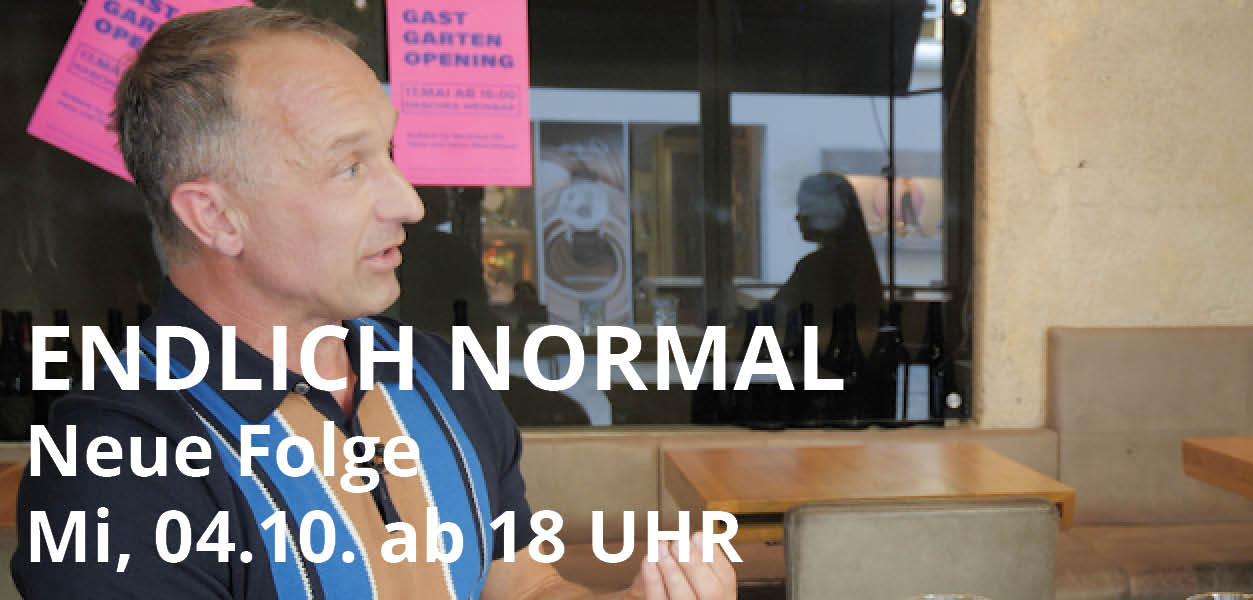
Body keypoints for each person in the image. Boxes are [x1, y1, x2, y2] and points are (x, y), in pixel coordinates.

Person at [13, 7, 735, 599]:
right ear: (216, 217)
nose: (409, 202)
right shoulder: (113, 464)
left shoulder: (436, 375)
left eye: (389, 153)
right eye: (349, 166)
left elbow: (521, 584)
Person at [767, 172, 886, 342]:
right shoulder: (858, 261)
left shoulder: (816, 267)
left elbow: (776, 313)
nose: (797, 218)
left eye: (805, 209)